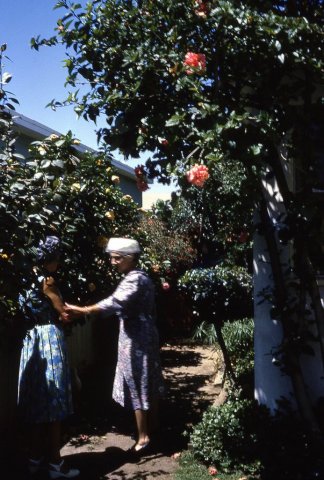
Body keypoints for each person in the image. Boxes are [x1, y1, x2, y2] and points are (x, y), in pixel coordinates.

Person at [65, 237, 165, 453]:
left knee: (137, 380)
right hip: (145, 332)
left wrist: (84, 310)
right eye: (112, 258)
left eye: (117, 258)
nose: (113, 262)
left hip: (136, 337)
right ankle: (153, 426)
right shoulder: (143, 277)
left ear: (129, 259)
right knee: (147, 379)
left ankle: (143, 436)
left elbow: (114, 302)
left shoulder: (133, 280)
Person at [18, 236, 79, 478]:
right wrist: (66, 307)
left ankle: (34, 459)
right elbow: (63, 314)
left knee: (36, 405)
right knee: (54, 404)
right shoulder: (48, 283)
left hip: (30, 340)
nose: (59, 263)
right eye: (57, 258)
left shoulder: (23, 279)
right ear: (49, 259)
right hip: (48, 341)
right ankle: (55, 463)